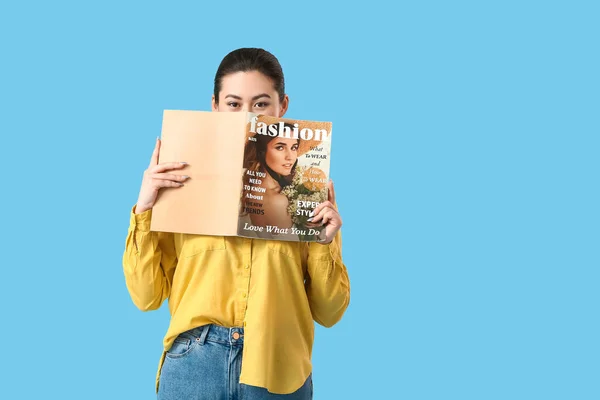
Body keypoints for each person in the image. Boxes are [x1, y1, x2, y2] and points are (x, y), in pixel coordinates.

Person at [122, 47, 350, 400]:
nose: (247, 116)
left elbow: (330, 312)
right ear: (214, 106)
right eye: (233, 104)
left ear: (283, 106)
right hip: (195, 364)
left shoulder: (308, 192)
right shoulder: (181, 179)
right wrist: (145, 208)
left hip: (278, 368)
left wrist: (324, 242)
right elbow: (146, 297)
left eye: (260, 104)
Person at [239, 122, 300, 238]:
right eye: (280, 147)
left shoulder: (250, 185)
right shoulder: (277, 200)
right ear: (261, 152)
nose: (290, 156)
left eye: (294, 147)